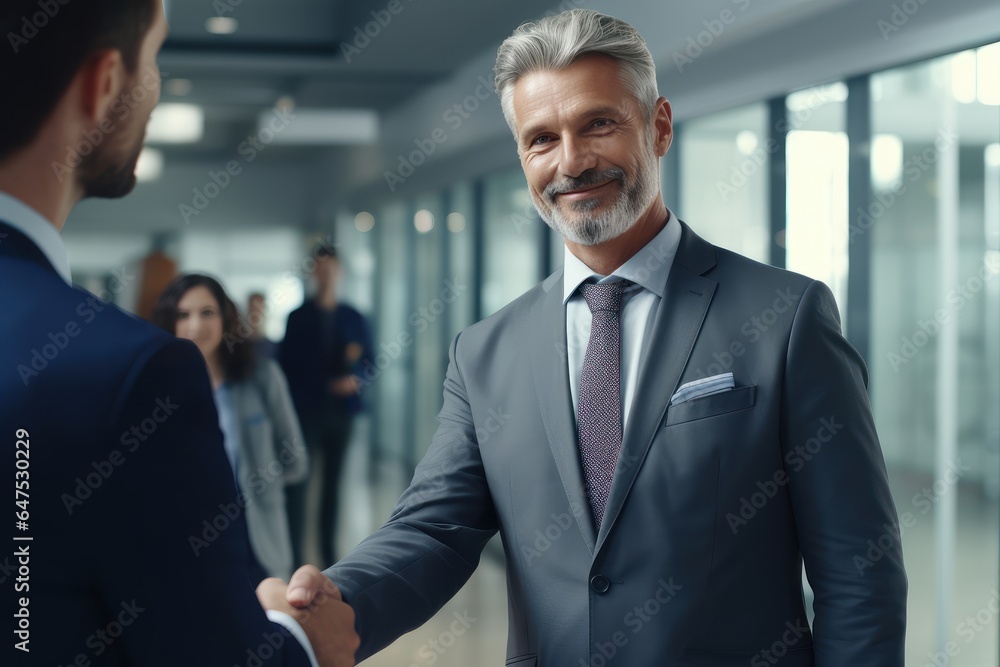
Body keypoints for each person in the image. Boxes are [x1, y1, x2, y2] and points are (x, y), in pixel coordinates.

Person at [284, 9, 907, 666]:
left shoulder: (785, 317)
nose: (572, 161)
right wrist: (335, 599)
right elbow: (433, 527)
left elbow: (858, 571)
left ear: (659, 125)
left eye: (599, 124)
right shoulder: (486, 353)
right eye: (541, 138)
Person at [0, 1, 357, 664]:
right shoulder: (129, 375)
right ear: (103, 82)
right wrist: (307, 644)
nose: (157, 88)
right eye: (154, 58)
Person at [152, 274, 309, 581]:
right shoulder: (159, 391)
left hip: (258, 542)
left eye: (207, 312)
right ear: (170, 323)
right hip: (188, 546)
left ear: (226, 318)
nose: (196, 325)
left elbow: (296, 461)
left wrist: (257, 482)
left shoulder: (262, 376)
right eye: (183, 315)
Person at [279, 246, 372, 566]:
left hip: (342, 413)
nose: (326, 275)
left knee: (333, 488)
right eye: (320, 269)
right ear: (312, 273)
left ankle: (329, 559)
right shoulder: (297, 318)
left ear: (340, 272)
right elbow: (287, 368)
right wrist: (323, 384)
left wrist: (357, 379)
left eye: (331, 269)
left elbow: (371, 362)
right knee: (299, 487)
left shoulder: (354, 317)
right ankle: (295, 561)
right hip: (307, 412)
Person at [248, 291, 280, 360]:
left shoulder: (273, 346)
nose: (255, 312)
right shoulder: (239, 344)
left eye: (259, 308)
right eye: (253, 307)